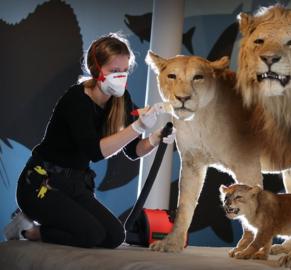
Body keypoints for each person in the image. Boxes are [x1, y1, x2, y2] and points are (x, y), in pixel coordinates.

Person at [2, 33, 175, 249]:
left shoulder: (121, 100)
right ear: (96, 69)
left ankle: (39, 227)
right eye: (114, 71)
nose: (120, 76)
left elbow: (133, 150)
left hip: (75, 186)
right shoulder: (76, 99)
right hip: (41, 184)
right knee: (91, 235)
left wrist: (155, 137)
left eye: (124, 71)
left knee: (114, 236)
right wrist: (138, 126)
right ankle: (28, 230)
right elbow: (94, 151)